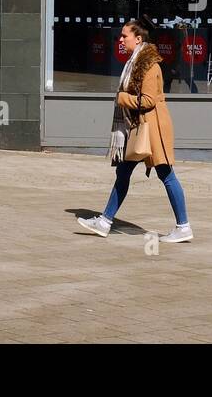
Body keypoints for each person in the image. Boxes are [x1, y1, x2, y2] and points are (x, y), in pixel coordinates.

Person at [78, 17, 192, 243]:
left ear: (138, 38)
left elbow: (148, 100)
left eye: (124, 36)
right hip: (141, 127)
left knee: (166, 174)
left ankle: (183, 226)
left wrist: (122, 98)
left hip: (152, 127)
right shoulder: (135, 61)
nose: (120, 39)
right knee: (124, 171)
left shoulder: (148, 64)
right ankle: (105, 221)